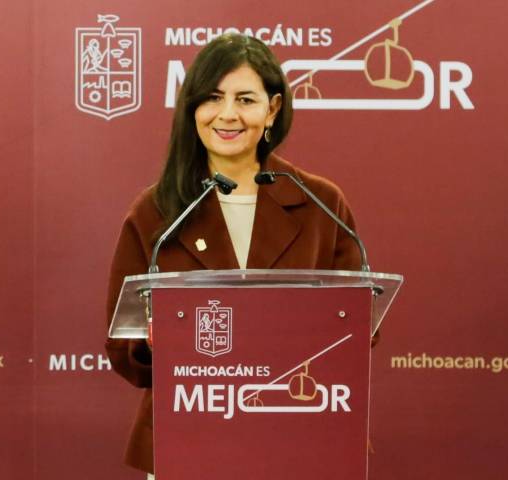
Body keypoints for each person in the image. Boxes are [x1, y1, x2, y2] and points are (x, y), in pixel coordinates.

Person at [105, 34, 366, 477]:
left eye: (245, 99)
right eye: (212, 98)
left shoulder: (321, 203)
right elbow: (123, 348)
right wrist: (155, 342)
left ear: (273, 109)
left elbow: (358, 328)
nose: (228, 114)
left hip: (299, 433)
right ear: (192, 109)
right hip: (187, 439)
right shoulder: (156, 211)